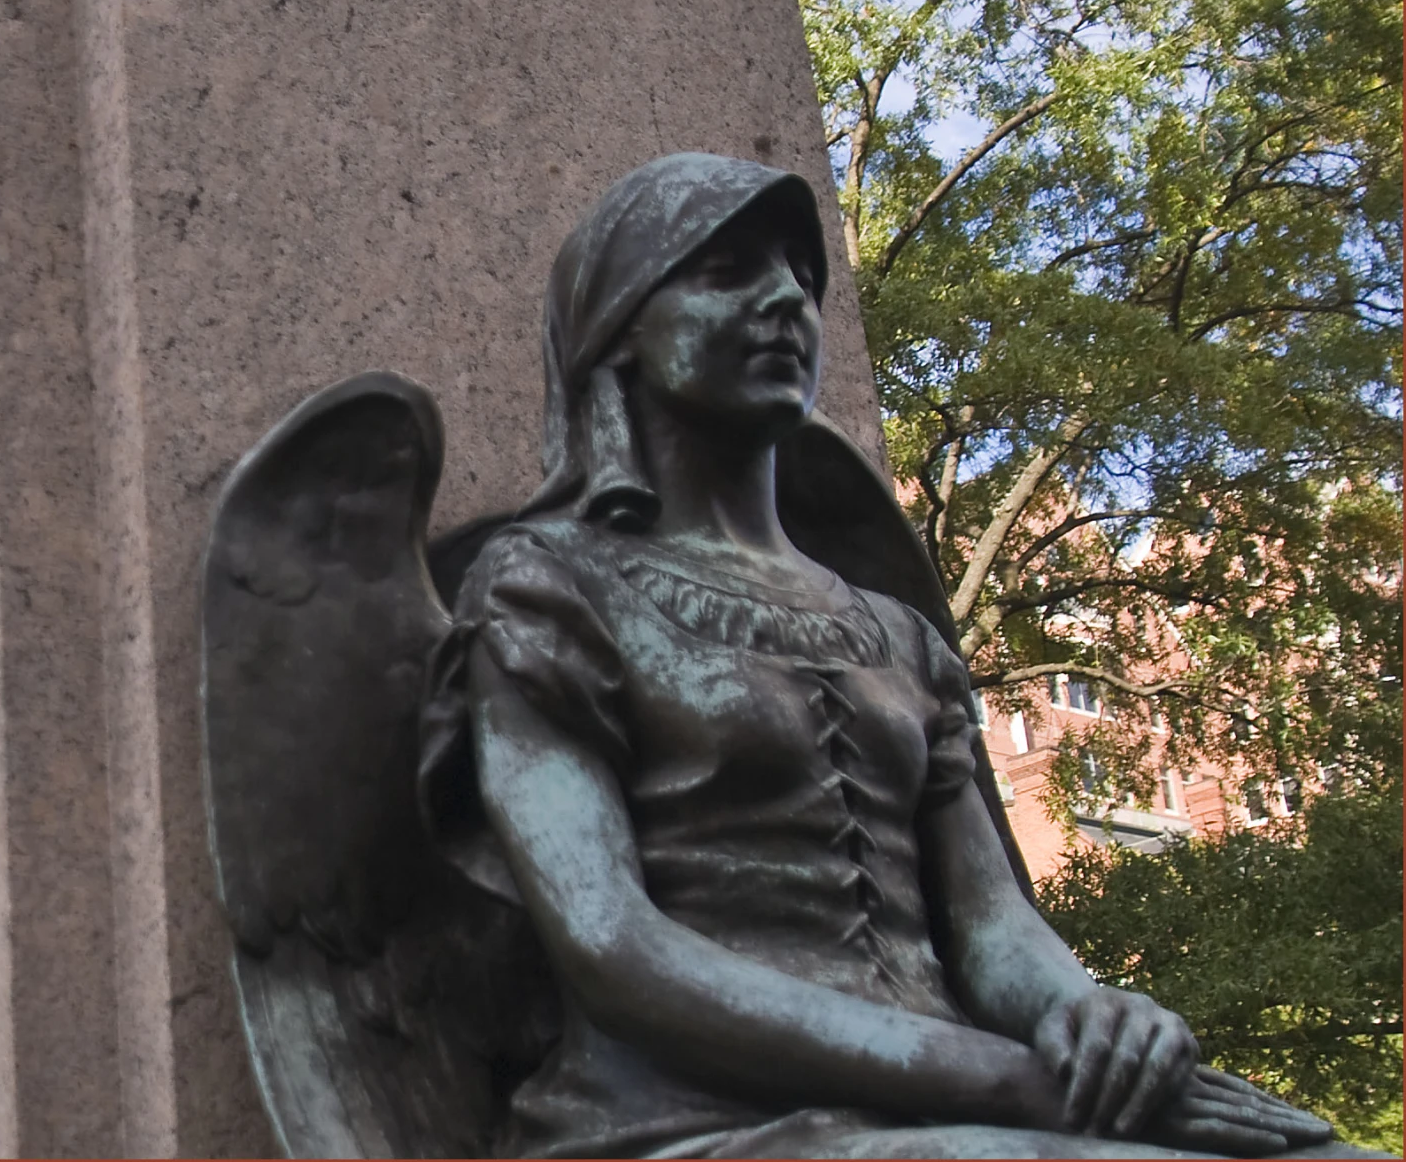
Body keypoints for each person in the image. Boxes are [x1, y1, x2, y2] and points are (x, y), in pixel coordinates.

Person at [425, 152, 1360, 1159]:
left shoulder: (899, 634)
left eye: (796, 271)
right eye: (726, 268)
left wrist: (1093, 1022)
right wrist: (1010, 1082)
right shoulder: (546, 587)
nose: (785, 295)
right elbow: (610, 944)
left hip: (946, 1115)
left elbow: (992, 930)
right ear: (617, 331)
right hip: (682, 1120)